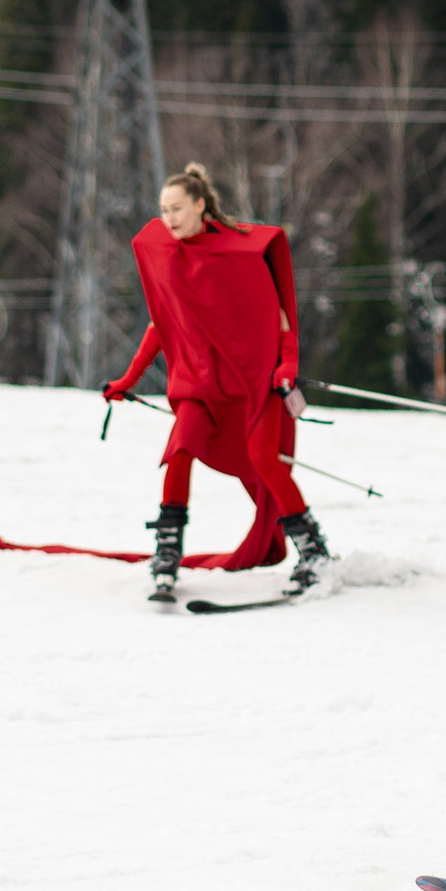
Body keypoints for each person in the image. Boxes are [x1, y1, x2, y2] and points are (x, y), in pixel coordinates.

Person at [103, 164, 326, 602]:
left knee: (265, 460)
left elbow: (280, 322)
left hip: (250, 384)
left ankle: (313, 552)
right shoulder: (167, 256)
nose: (168, 219)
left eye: (177, 208)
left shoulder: (239, 254)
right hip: (199, 386)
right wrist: (128, 378)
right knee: (180, 449)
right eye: (163, 210)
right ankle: (167, 552)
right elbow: (160, 327)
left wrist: (286, 369)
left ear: (201, 205)